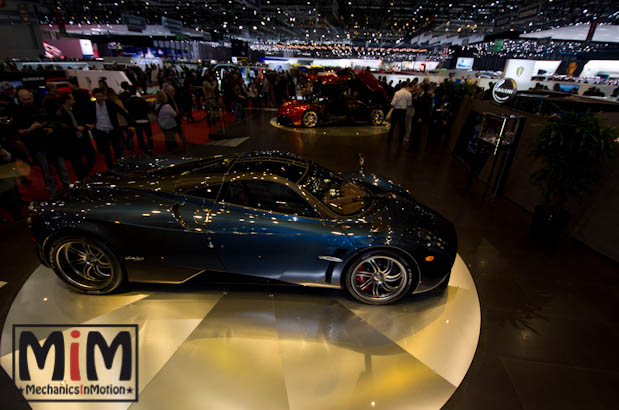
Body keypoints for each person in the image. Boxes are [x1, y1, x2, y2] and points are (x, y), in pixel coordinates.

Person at [14, 89, 70, 195]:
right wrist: (30, 129)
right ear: (20, 100)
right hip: (36, 146)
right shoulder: (18, 113)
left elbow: (52, 120)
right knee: (46, 170)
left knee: (62, 167)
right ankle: (53, 192)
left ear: (32, 97)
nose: (27, 101)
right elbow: (19, 131)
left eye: (29, 98)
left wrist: (50, 128)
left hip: (51, 142)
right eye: (24, 99)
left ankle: (67, 188)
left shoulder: (41, 108)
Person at [86, 88, 133, 169]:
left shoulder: (110, 103)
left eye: (101, 96)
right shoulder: (91, 105)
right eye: (97, 97)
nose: (99, 98)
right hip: (101, 131)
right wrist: (90, 124)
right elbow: (88, 116)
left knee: (117, 149)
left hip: (112, 130)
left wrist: (131, 124)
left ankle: (119, 165)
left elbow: (123, 112)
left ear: (104, 96)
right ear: (94, 97)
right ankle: (110, 168)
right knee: (106, 151)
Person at [54, 93, 96, 180]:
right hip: (72, 142)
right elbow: (62, 129)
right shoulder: (60, 114)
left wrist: (84, 126)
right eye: (72, 99)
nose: (74, 100)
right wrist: (76, 129)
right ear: (67, 100)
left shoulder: (72, 110)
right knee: (78, 163)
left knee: (91, 157)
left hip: (80, 139)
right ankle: (82, 179)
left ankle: (83, 176)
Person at [124, 89, 154, 155]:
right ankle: (150, 146)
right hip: (145, 119)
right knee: (149, 134)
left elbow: (128, 112)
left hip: (136, 120)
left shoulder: (128, 101)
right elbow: (148, 109)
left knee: (139, 135)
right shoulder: (142, 99)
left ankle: (142, 146)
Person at [107, 88, 135, 157]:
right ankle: (131, 153)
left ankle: (124, 154)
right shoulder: (118, 101)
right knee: (128, 138)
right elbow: (125, 112)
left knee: (121, 139)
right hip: (124, 122)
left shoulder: (111, 103)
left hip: (119, 124)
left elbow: (123, 112)